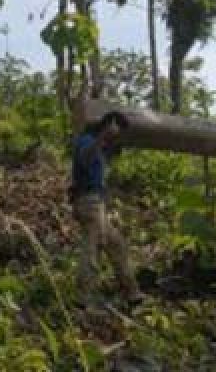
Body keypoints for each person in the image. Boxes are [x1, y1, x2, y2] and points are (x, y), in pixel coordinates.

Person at [69, 111, 139, 304]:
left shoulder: (100, 149)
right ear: (107, 126)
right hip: (89, 203)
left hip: (96, 203)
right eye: (116, 131)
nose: (116, 136)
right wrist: (103, 137)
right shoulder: (87, 140)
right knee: (93, 248)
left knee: (117, 244)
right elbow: (84, 158)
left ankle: (131, 292)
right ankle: (83, 297)